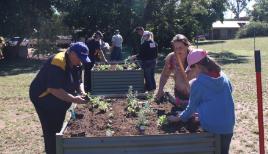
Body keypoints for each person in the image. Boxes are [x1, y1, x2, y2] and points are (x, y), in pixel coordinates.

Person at [168, 49, 235, 154]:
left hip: (211, 127)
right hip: (228, 125)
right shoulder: (223, 76)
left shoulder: (198, 84)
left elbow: (191, 108)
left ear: (197, 66)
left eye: (192, 68)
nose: (191, 72)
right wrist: (202, 113)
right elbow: (225, 95)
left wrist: (176, 118)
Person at [29, 42, 90, 154]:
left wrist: (82, 91)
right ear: (71, 53)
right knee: (51, 128)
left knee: (58, 125)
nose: (81, 61)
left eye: (83, 58)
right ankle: (52, 150)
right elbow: (54, 89)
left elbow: (79, 81)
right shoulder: (58, 61)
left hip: (57, 97)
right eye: (80, 58)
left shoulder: (76, 63)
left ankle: (57, 148)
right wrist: (74, 99)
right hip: (43, 97)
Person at [155, 34, 193, 107]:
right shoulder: (171, 58)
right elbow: (165, 75)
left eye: (180, 47)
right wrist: (160, 89)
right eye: (176, 48)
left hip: (195, 96)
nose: (178, 50)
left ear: (187, 45)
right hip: (180, 96)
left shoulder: (194, 57)